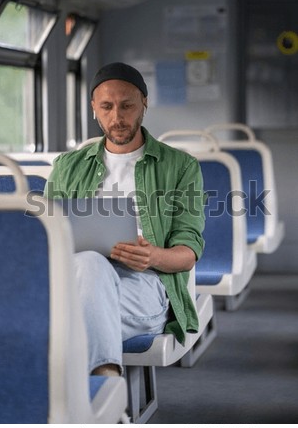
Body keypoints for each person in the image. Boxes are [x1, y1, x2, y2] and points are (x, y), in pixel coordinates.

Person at [44, 62, 205, 377]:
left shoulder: (181, 166)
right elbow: (45, 234)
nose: (116, 117)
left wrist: (152, 256)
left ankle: (97, 390)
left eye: (127, 106)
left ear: (144, 104)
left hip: (146, 284)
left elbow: (188, 252)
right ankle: (106, 390)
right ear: (93, 108)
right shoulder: (67, 166)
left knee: (59, 313)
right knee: (89, 265)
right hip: (78, 278)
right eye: (106, 106)